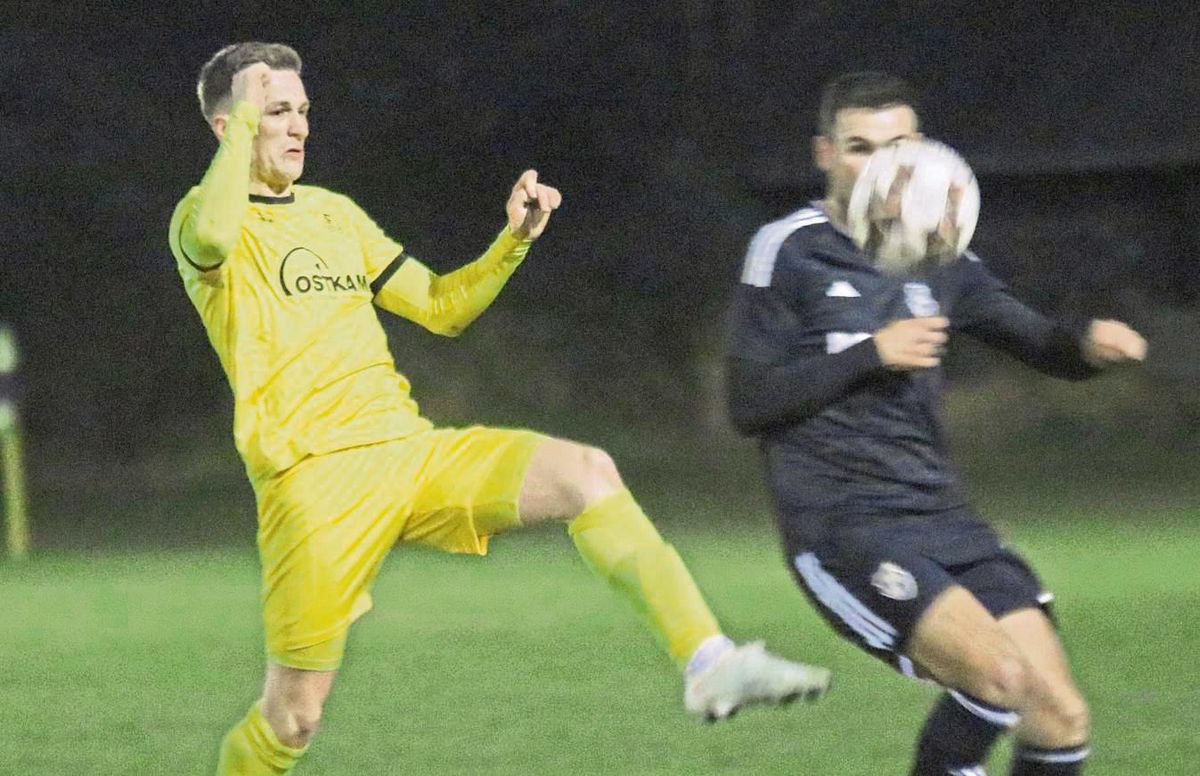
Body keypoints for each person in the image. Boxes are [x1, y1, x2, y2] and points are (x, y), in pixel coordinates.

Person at [170, 42, 829, 776]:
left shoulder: (335, 215)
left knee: (587, 472)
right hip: (313, 487)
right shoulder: (203, 217)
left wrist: (510, 244)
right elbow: (211, 236)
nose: (296, 127)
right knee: (293, 720)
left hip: (409, 453)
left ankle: (709, 662)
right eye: (273, 111)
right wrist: (243, 120)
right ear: (228, 127)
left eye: (300, 111)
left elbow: (442, 307)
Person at [726, 71, 1146, 776]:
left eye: (899, 147)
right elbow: (749, 403)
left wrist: (1089, 350)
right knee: (998, 681)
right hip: (845, 527)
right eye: (861, 147)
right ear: (825, 154)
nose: (882, 166)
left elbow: (1040, 342)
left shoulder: (940, 256)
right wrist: (871, 354)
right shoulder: (789, 250)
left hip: (944, 519)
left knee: (1059, 716)